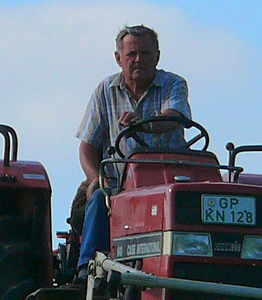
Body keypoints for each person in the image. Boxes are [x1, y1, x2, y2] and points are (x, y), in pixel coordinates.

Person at [74, 25, 192, 269]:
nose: (139, 60)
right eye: (132, 54)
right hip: (119, 185)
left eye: (146, 54)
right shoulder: (104, 91)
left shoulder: (174, 85)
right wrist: (96, 178)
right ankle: (88, 269)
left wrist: (146, 125)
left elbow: (175, 116)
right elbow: (87, 146)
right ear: (119, 59)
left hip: (167, 183)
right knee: (98, 198)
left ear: (157, 57)